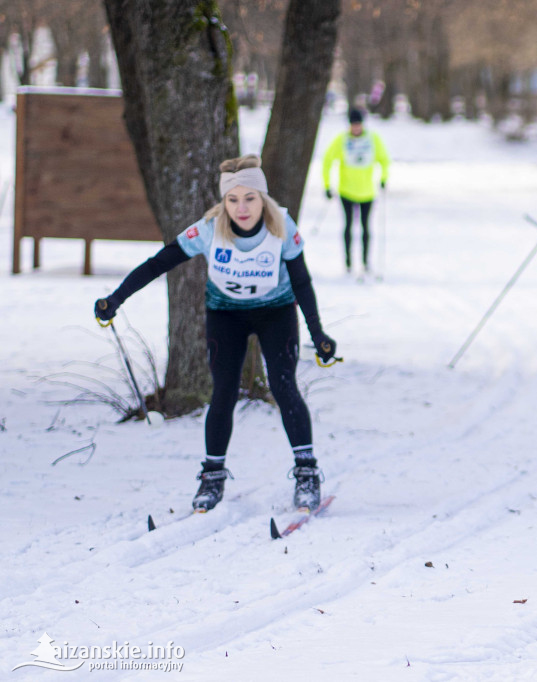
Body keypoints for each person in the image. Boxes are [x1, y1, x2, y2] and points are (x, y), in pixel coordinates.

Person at [94, 155, 337, 513]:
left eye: (250, 198)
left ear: (263, 198)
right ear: (223, 201)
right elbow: (160, 262)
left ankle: (306, 473)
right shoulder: (209, 227)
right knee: (222, 391)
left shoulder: (281, 225)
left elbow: (301, 281)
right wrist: (115, 298)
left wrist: (318, 334)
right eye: (232, 199)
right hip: (226, 314)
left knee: (284, 385)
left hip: (276, 312)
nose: (241, 208)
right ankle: (212, 477)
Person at [322, 108, 390, 276]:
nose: (356, 128)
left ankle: (366, 262)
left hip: (367, 192)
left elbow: (384, 160)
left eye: (358, 124)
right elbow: (327, 161)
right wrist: (327, 185)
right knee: (348, 227)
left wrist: (383, 178)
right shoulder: (342, 140)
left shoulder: (372, 139)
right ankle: (348, 262)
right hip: (346, 192)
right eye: (353, 124)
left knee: (366, 227)